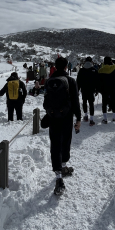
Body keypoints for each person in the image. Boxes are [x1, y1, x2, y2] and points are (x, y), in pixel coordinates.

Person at [43, 57, 81, 195]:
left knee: (55, 144)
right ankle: (63, 166)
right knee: (65, 142)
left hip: (53, 117)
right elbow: (76, 101)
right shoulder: (70, 81)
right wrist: (78, 118)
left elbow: (45, 102)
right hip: (67, 117)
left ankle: (58, 177)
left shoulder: (48, 81)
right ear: (66, 67)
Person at [97, 56, 115, 124]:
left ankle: (105, 118)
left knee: (104, 103)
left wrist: (99, 89)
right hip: (112, 88)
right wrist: (112, 61)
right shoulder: (113, 68)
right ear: (110, 62)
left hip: (104, 88)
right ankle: (114, 117)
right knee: (113, 101)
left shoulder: (100, 70)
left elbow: (98, 81)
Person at [76, 57, 98, 126]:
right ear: (91, 62)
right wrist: (97, 89)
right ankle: (91, 120)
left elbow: (78, 81)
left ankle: (86, 116)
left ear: (85, 61)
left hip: (83, 89)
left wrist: (77, 89)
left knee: (84, 102)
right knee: (91, 103)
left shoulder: (81, 70)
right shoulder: (94, 70)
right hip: (91, 90)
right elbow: (97, 81)